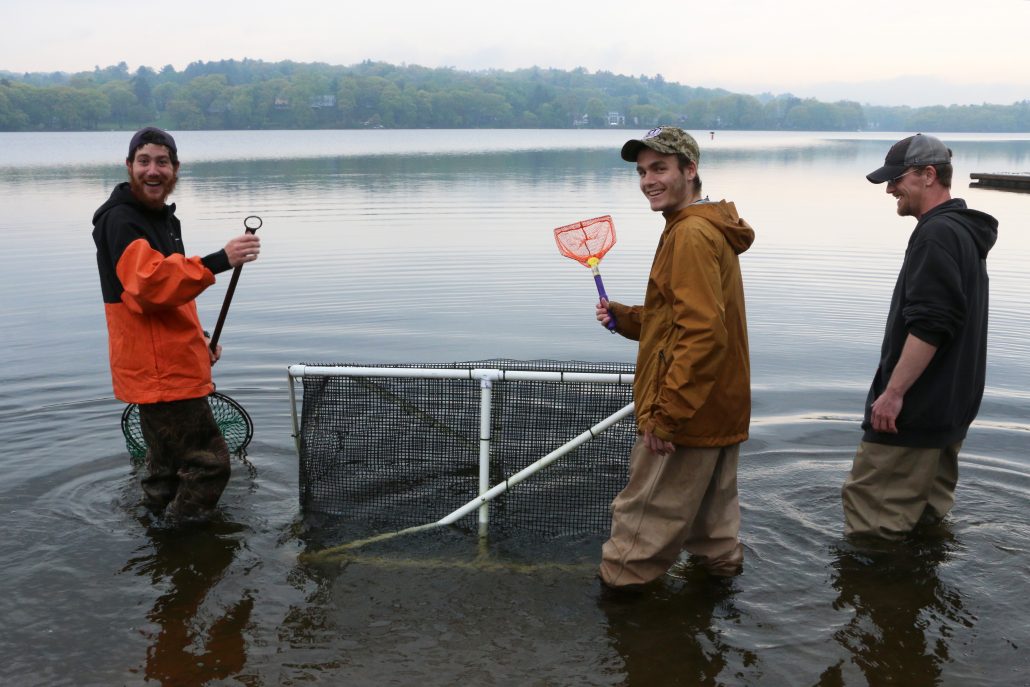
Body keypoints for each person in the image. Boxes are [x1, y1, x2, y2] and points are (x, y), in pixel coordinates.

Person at [596, 126, 755, 588]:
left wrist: (666, 417)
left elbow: (702, 335)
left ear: (690, 170)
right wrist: (626, 319)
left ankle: (624, 622)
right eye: (643, 171)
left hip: (686, 415)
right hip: (720, 409)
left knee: (638, 535)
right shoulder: (708, 225)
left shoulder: (689, 235)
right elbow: (686, 318)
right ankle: (722, 612)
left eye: (660, 168)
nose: (648, 180)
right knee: (715, 535)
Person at [92, 127, 261, 521]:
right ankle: (184, 541)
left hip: (161, 364)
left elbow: (170, 295)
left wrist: (198, 339)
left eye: (162, 162)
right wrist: (220, 259)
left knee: (165, 469)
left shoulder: (163, 220)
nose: (154, 170)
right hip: (161, 374)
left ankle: (153, 531)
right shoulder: (122, 221)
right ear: (129, 166)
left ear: (175, 168)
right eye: (144, 161)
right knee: (211, 464)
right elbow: (148, 287)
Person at [842, 134, 998, 540]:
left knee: (871, 532)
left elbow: (931, 323)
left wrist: (893, 394)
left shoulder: (937, 234)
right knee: (925, 531)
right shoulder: (964, 233)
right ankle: (919, 595)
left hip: (911, 415)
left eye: (897, 179)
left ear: (929, 175)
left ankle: (880, 599)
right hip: (948, 413)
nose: (890, 188)